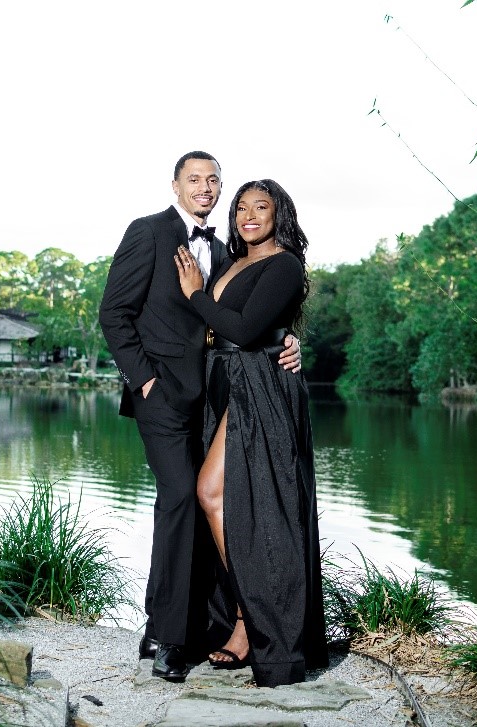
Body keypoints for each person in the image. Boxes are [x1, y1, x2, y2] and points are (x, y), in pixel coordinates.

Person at [98, 153, 301, 681]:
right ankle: (169, 638)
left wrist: (290, 341)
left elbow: (257, 307)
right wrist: (142, 379)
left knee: (207, 502)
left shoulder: (232, 249)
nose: (206, 188)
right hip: (162, 396)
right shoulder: (149, 233)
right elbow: (113, 312)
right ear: (176, 185)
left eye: (214, 180)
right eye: (195, 180)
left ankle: (185, 623)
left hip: (217, 397)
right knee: (183, 497)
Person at [174, 179, 328, 687]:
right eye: (241, 207)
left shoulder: (284, 263)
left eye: (261, 207)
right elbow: (241, 324)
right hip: (225, 382)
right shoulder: (229, 259)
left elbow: (243, 329)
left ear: (279, 213)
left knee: (219, 493)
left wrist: (195, 294)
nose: (247, 215)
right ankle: (243, 612)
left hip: (259, 386)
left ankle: (252, 620)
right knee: (222, 497)